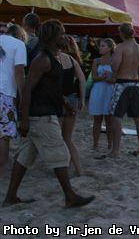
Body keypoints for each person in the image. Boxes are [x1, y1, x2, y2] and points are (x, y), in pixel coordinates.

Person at [3, 19, 94, 207]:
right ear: (52, 37)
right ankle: (70, 196)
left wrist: (65, 103)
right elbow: (27, 90)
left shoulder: (53, 58)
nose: (65, 37)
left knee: (24, 157)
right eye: (62, 33)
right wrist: (24, 120)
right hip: (41, 115)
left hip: (43, 113)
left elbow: (49, 88)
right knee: (59, 153)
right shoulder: (42, 60)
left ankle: (10, 197)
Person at [109, 23, 139, 158]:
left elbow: (115, 66)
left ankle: (115, 150)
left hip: (122, 84)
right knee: (138, 118)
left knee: (116, 117)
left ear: (122, 33)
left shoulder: (121, 47)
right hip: (135, 84)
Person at [0, 25, 26, 177]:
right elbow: (19, 72)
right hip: (5, 93)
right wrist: (23, 96)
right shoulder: (19, 44)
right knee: (4, 134)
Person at [59, 35, 86, 176]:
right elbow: (82, 79)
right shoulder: (72, 60)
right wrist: (82, 99)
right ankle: (79, 169)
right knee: (68, 138)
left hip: (58, 100)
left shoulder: (54, 58)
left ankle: (62, 168)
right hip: (72, 99)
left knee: (57, 138)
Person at [89, 38, 115, 151]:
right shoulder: (97, 61)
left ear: (110, 48)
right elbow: (94, 78)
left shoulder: (114, 61)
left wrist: (108, 78)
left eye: (103, 46)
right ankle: (95, 144)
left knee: (109, 120)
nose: (100, 48)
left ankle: (110, 144)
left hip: (109, 91)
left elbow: (116, 79)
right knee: (97, 119)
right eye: (100, 45)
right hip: (98, 90)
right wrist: (103, 77)